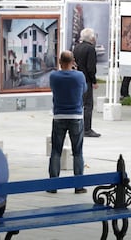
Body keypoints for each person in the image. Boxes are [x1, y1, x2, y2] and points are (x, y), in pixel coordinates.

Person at [48, 50, 87, 194]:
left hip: (59, 116)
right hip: (76, 116)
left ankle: (53, 185)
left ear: (59, 62)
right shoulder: (79, 76)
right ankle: (78, 185)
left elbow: (53, 89)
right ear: (73, 61)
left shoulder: (54, 76)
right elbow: (84, 90)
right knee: (78, 152)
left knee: (56, 151)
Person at [73, 28, 101, 138]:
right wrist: (94, 80)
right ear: (92, 38)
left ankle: (78, 128)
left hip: (76, 79)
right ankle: (87, 129)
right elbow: (91, 68)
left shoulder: (77, 47)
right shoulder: (90, 49)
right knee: (88, 105)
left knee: (79, 104)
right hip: (86, 80)